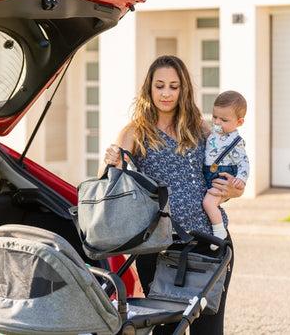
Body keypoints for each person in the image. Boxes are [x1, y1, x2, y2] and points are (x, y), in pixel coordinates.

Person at [102, 55, 243, 334]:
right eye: (160, 85)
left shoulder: (203, 129)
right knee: (166, 330)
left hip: (209, 242)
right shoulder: (133, 132)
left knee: (209, 330)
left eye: (174, 86)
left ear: (183, 90)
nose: (166, 93)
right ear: (149, 89)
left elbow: (226, 182)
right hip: (158, 247)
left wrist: (233, 190)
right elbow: (110, 186)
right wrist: (111, 163)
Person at [203, 91, 249, 248]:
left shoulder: (236, 142)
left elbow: (244, 162)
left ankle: (219, 232)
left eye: (223, 119)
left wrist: (241, 179)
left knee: (208, 203)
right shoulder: (214, 132)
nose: (217, 122)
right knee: (209, 202)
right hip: (209, 172)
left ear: (239, 122)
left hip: (221, 174)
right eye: (215, 117)